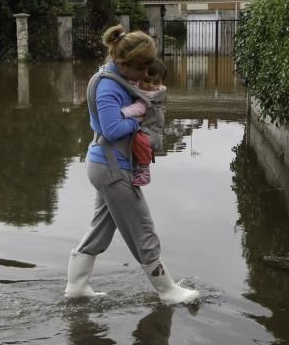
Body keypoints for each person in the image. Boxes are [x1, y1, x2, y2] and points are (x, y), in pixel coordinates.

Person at [63, 25, 199, 305]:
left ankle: (76, 288)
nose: (146, 73)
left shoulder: (113, 78)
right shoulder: (109, 86)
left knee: (101, 228)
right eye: (143, 67)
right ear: (127, 65)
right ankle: (168, 291)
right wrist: (138, 117)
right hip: (113, 167)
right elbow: (112, 129)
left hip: (105, 164)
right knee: (142, 228)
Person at [120, 59, 167, 187]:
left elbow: (138, 108)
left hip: (152, 135)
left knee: (139, 140)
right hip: (146, 130)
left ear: (161, 83)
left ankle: (145, 170)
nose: (151, 86)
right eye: (146, 81)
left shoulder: (150, 97)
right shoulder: (142, 90)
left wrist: (122, 113)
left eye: (156, 82)